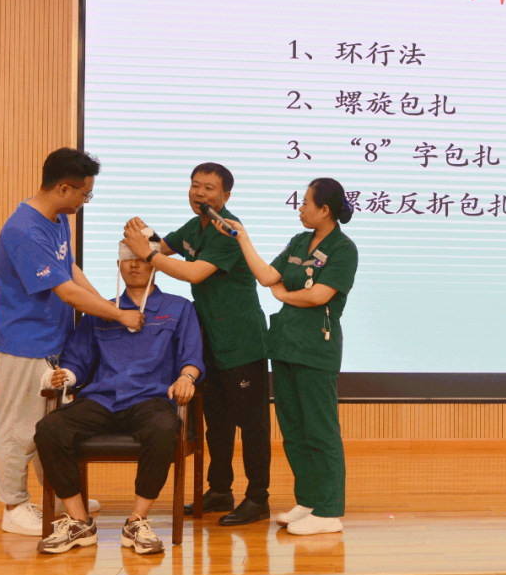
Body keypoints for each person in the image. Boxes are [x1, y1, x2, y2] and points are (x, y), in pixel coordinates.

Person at [0, 149, 144, 536]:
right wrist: (118, 315)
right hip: (23, 344)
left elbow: (69, 269)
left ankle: (59, 494)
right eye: (84, 194)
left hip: (53, 341)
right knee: (19, 427)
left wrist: (105, 305)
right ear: (63, 188)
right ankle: (14, 507)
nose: (85, 201)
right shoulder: (24, 231)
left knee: (49, 426)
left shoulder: (56, 220)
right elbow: (67, 292)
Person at [123, 163, 270, 526]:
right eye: (195, 186)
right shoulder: (194, 226)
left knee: (252, 425)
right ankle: (220, 490)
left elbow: (193, 272)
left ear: (225, 196)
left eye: (208, 188)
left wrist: (148, 253)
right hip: (209, 341)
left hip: (241, 342)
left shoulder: (228, 230)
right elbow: (162, 247)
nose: (199, 193)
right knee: (216, 422)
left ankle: (258, 498)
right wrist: (143, 234)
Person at [34, 244, 204, 554]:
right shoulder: (101, 310)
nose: (134, 265)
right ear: (118, 265)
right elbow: (77, 360)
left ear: (155, 264)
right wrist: (65, 376)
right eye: (127, 260)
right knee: (48, 429)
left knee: (164, 429)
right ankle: (79, 522)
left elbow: (191, 357)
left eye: (141, 259)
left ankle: (137, 522)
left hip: (151, 399)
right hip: (103, 400)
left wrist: (186, 377)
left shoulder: (179, 307)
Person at [216, 178, 358, 536]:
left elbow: (319, 296)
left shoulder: (343, 248)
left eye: (306, 202)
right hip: (284, 345)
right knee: (293, 430)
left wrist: (283, 295)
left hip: (315, 349)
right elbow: (267, 276)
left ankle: (329, 511)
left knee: (320, 430)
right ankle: (308, 501)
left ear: (324, 210)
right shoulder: (299, 241)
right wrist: (242, 237)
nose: (300, 207)